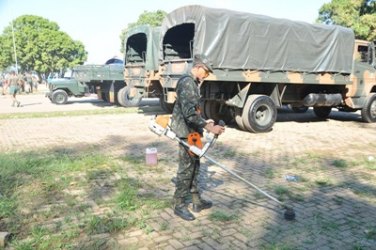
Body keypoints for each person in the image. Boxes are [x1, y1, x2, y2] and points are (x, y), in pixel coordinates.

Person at [171, 54, 225, 221]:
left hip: (193, 131)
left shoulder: (193, 83)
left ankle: (196, 201)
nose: (206, 76)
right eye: (206, 73)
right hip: (186, 131)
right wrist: (210, 127)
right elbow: (188, 114)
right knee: (186, 168)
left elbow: (194, 111)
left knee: (195, 165)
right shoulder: (187, 82)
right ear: (199, 67)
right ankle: (179, 205)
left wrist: (204, 121)